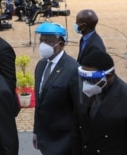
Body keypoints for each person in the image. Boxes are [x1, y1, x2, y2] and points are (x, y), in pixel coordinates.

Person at [75, 51, 127, 155]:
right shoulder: (86, 93)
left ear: (109, 76)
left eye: (91, 80)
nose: (86, 84)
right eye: (84, 79)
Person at [33, 22, 80, 155]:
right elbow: (39, 103)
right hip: (45, 137)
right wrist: (37, 131)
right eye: (41, 40)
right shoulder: (41, 65)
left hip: (64, 140)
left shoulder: (72, 69)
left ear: (60, 44)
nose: (43, 45)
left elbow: (78, 108)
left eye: (48, 41)